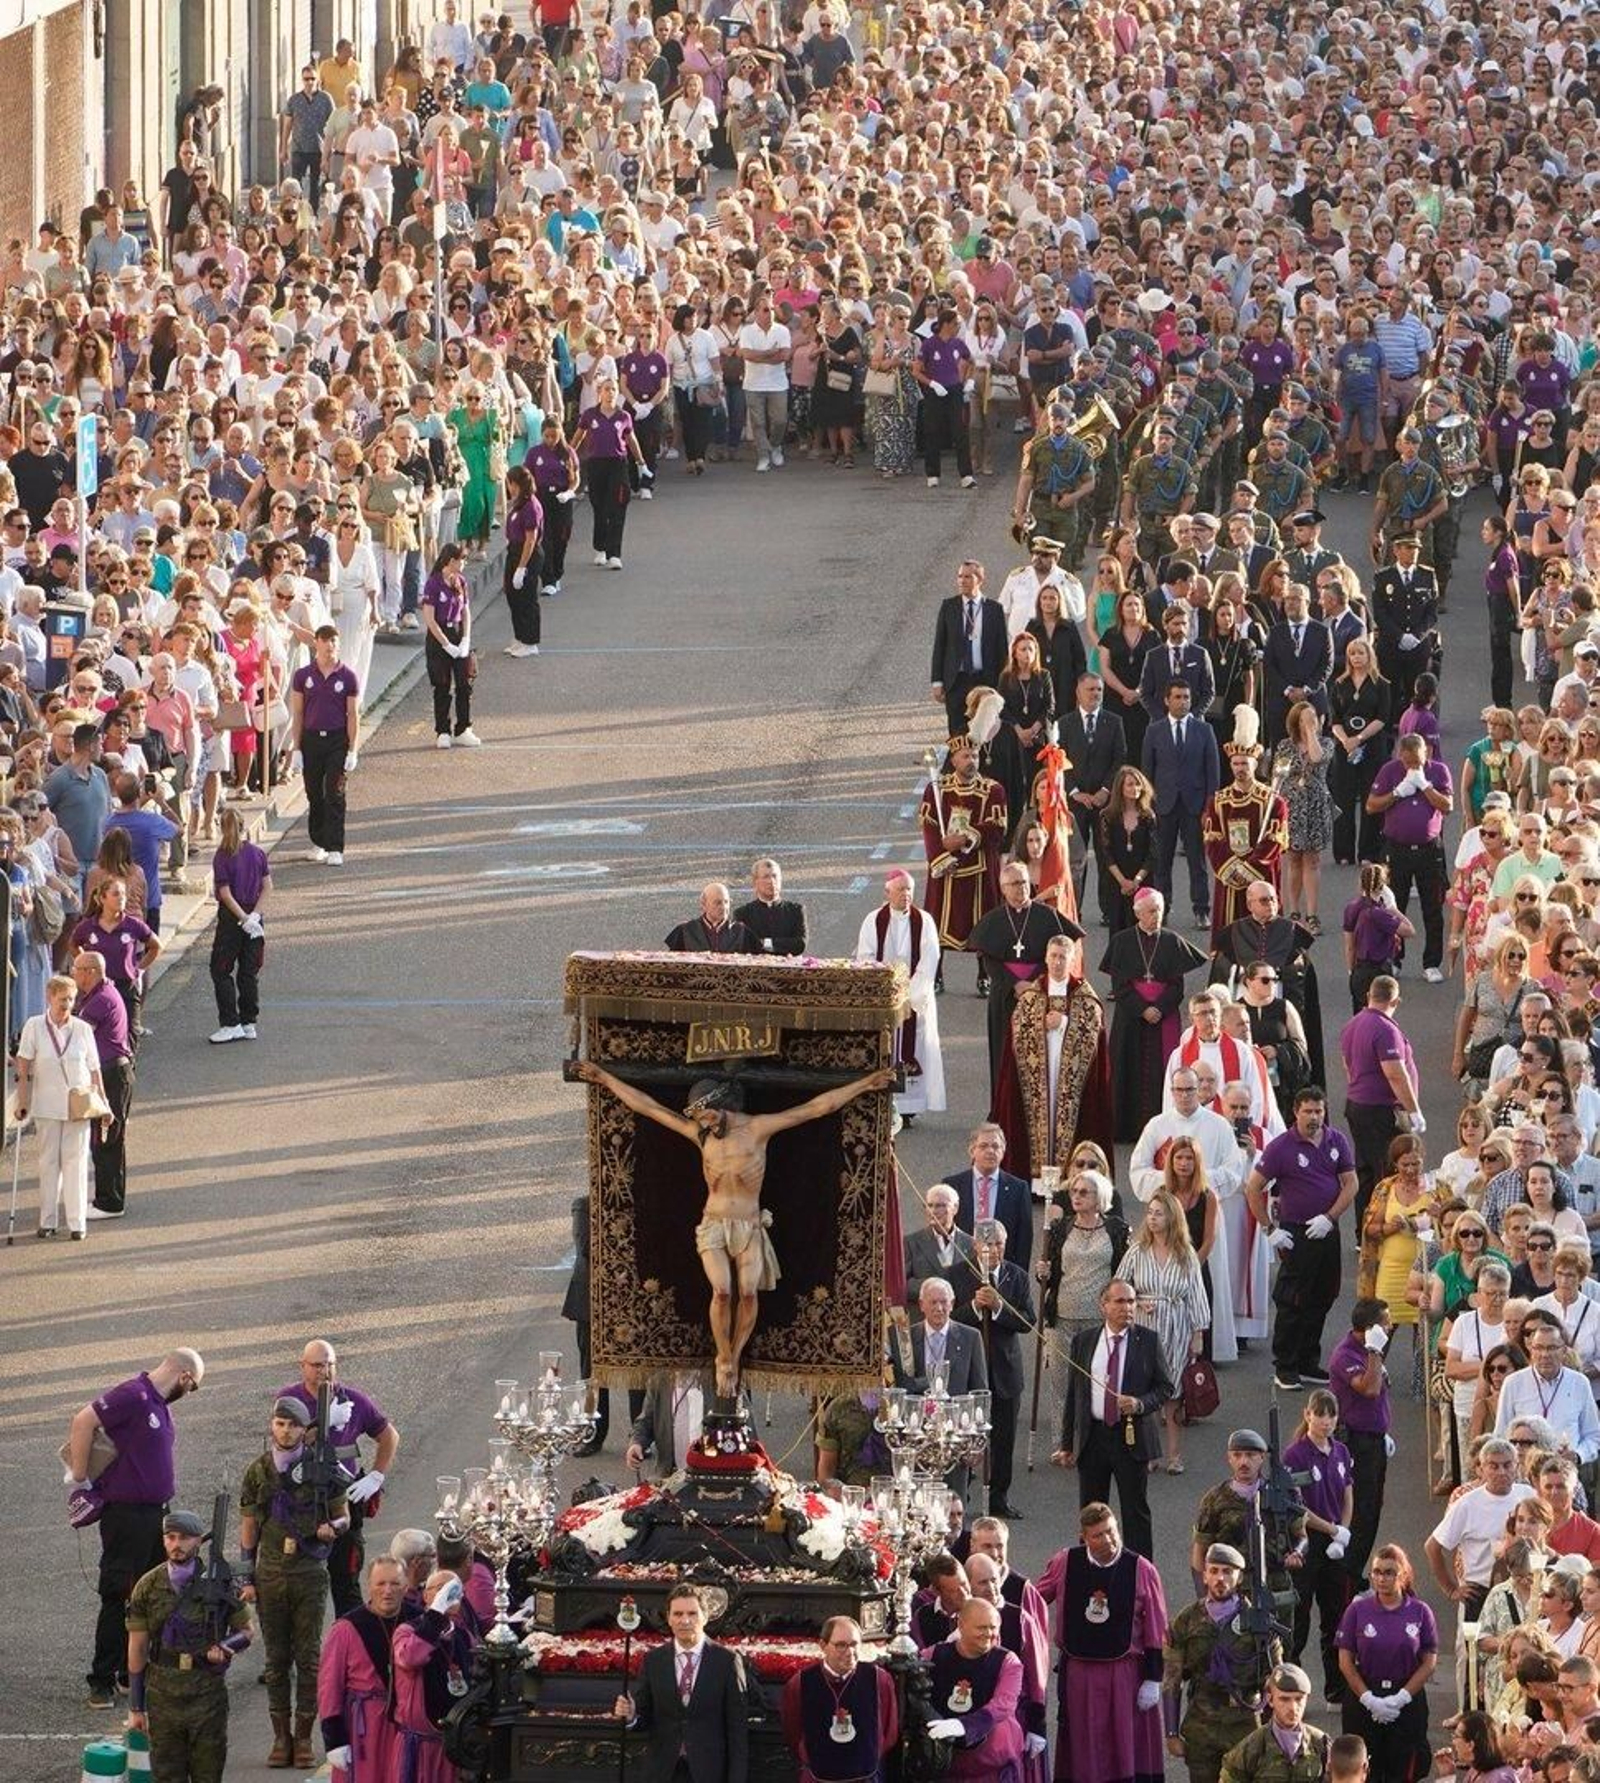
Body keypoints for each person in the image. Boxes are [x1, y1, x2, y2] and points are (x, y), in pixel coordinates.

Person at [575, 1060, 893, 1395]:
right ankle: (722, 1357)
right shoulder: (700, 1134)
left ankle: (736, 1355)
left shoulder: (757, 1129)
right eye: (701, 1120)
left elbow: (815, 1108)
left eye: (709, 1117)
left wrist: (865, 1083)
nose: (706, 1125)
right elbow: (649, 1107)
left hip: (749, 1226)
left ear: (722, 1107)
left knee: (748, 1292)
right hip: (713, 1225)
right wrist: (605, 1078)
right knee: (723, 1292)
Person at [65, 1349, 205, 1709]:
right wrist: (80, 1475)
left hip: (154, 1514)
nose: (188, 1393)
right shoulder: (134, 1395)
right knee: (119, 1593)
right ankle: (101, 1680)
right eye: (192, 1387)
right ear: (185, 1377)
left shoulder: (156, 1403)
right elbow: (83, 1420)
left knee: (150, 1593)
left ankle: (131, 1672)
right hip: (128, 1516)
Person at [238, 1397, 350, 1769]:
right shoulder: (258, 1471)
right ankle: (280, 1736)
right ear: (272, 1426)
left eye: (293, 1425)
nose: (285, 1431)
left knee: (309, 1658)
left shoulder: (322, 1467)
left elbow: (344, 1516)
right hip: (270, 1574)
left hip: (309, 1573)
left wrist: (331, 1529)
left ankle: (304, 1737)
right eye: (280, 1423)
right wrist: (246, 1575)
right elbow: (249, 1526)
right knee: (276, 1659)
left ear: (305, 1430)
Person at [1040, 1502, 1168, 1783]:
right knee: (1086, 1742)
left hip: (1124, 1672)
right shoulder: (1065, 1562)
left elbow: (1156, 1625)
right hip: (1080, 1673)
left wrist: (1153, 1678)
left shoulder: (1141, 1569)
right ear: (1083, 1537)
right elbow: (1035, 1600)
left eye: (1111, 1531)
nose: (1108, 1540)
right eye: (1098, 1535)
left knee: (1123, 1740)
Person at [124, 1509, 253, 1783]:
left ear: (198, 1541)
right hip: (162, 1698)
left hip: (206, 1696)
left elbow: (246, 1631)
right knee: (167, 1776)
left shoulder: (219, 1583)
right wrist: (136, 1706)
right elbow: (137, 1648)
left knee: (208, 1774)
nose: (176, 1544)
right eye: (170, 1537)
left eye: (184, 1538)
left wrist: (226, 1647)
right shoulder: (147, 1586)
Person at [1244, 1086, 1359, 1392]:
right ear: (1296, 1112)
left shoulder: (1337, 1141)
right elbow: (1254, 1188)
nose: (1314, 1117)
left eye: (1318, 1111)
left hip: (1325, 1229)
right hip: (1296, 1232)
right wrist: (1270, 1229)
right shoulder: (1282, 1147)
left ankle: (1308, 1360)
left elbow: (1351, 1183)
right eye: (1308, 1111)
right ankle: (1285, 1366)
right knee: (1293, 1299)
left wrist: (1330, 1218)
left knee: (1323, 1295)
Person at [274, 1340, 399, 1620]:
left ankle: (352, 1650)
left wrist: (377, 1475)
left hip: (342, 1502)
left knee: (347, 1582)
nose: (325, 1371)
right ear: (302, 1366)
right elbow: (284, 1447)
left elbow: (389, 1435)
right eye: (317, 1365)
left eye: (330, 1364)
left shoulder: (352, 1399)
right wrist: (324, 1421)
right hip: (302, 1505)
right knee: (300, 1587)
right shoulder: (289, 1401)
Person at [1052, 1280, 1173, 1560]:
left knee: (1135, 1512)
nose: (1127, 1308)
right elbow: (1075, 1394)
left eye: (1131, 1302)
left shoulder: (1148, 1341)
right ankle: (1088, 1567)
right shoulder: (1084, 1341)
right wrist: (1068, 1442)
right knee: (1091, 1511)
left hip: (1130, 1437)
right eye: (1119, 1302)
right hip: (1093, 1437)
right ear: (1103, 1305)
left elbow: (1165, 1387)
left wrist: (1140, 1404)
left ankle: (1141, 1574)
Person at [990, 932, 1113, 1192]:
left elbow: (1093, 1029)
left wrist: (1065, 1023)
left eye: (1063, 957)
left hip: (1071, 1079)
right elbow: (1018, 1031)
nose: (1057, 962)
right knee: (1038, 1119)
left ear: (1072, 960)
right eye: (1054, 956)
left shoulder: (1085, 997)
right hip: (1038, 1079)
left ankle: (1070, 1185)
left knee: (1068, 1119)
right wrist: (1039, 1025)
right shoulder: (1031, 996)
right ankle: (1037, 1185)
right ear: (1046, 958)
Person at [1100, 890, 1210, 1142]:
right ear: (1137, 913)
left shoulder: (1171, 941)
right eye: (1150, 911)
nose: (1156, 915)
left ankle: (1165, 1131)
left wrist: (1159, 1007)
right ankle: (1126, 1129)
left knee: (1163, 1071)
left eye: (1159, 910)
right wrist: (1142, 1008)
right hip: (1131, 1016)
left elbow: (1176, 986)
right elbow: (1120, 985)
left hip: (1164, 1016)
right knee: (1127, 1069)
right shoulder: (1122, 941)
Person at [612, 1584, 750, 1783]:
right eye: (677, 1614)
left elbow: (737, 1731)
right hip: (663, 1772)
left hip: (709, 1774)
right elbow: (645, 1717)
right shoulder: (654, 1660)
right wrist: (632, 1715)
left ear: (705, 1616)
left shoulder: (726, 1661)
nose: (685, 1620)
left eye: (692, 1613)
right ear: (668, 1618)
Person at [1115, 1187, 1211, 1471]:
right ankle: (1150, 1453)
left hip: (1176, 1326)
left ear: (1172, 1218)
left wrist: (1198, 1333)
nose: (1153, 1219)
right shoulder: (1137, 1251)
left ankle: (1173, 1455)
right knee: (1145, 1390)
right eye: (1150, 1213)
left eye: (1159, 1213)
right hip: (1143, 1327)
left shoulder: (1186, 1254)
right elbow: (1119, 1283)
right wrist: (1137, 1301)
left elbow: (1196, 1294)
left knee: (1173, 1393)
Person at [1162, 1543, 1275, 1783]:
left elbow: (1275, 1679)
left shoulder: (1258, 1621)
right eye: (1213, 1571)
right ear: (1204, 1575)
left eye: (1227, 1571)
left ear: (1240, 1577)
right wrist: (1171, 1733)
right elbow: (1172, 1679)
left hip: (1245, 1727)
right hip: (1202, 1726)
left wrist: (1276, 1731)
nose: (1220, 1578)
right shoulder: (1186, 1620)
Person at [967, 864, 1083, 1094]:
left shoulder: (1046, 915)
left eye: (1023, 882)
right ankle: (1002, 1108)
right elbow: (989, 959)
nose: (1020, 888)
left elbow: (1063, 948)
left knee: (1038, 1052)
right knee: (1004, 1052)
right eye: (1014, 884)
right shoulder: (994, 920)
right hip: (1004, 994)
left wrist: (1035, 981)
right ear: (1003, 889)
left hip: (1041, 993)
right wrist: (1014, 982)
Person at [13, 971, 109, 1242]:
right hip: (46, 1104)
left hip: (77, 1106)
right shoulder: (34, 1025)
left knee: (76, 1162)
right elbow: (24, 1062)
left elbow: (94, 1068)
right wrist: (22, 1100)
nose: (67, 1004)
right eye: (62, 999)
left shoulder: (81, 1028)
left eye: (71, 999)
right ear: (50, 997)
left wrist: (104, 1103)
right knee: (48, 1163)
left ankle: (77, 1223)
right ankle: (47, 1220)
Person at [948, 1220, 1035, 1518]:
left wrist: (999, 1307)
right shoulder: (957, 1275)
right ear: (975, 1246)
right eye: (986, 1244)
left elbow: (1027, 1322)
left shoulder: (1017, 1276)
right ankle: (961, 1494)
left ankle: (999, 1497)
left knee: (1003, 1439)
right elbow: (949, 1320)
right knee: (965, 1435)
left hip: (1005, 1372)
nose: (992, 1250)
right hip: (970, 1371)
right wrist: (974, 1307)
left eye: (998, 1243)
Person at [920, 733, 1009, 992]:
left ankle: (985, 975)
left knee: (983, 925)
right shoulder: (937, 788)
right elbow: (929, 826)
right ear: (954, 760)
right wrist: (941, 856)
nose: (972, 761)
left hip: (980, 868)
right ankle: (935, 975)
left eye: (975, 756)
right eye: (965, 756)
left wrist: (964, 839)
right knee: (937, 924)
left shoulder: (993, 790)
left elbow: (997, 828)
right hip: (946, 869)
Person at [1282, 1390, 1356, 1704]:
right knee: (1298, 1617)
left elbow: (1347, 1493)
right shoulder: (1295, 1456)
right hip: (1306, 1541)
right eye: (1320, 1414)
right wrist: (1331, 1528)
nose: (1326, 1421)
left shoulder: (1340, 1451)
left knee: (1336, 1615)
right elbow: (1297, 1507)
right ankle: (1291, 1687)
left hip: (1335, 1542)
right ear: (1307, 1415)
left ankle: (1336, 1688)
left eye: (1331, 1415)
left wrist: (1344, 1530)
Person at [855, 869, 944, 1122]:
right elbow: (866, 957)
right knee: (885, 1048)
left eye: (909, 890)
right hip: (884, 999)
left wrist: (910, 994)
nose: (906, 895)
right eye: (900, 890)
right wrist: (886, 991)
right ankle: (884, 1100)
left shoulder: (924, 921)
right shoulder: (873, 920)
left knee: (913, 1045)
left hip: (914, 998)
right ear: (888, 892)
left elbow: (929, 959)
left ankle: (908, 1108)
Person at [1366, 732, 1454, 982]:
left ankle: (1431, 963)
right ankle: (1395, 959)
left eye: (1416, 761)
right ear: (1399, 756)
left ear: (1425, 753)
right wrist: (1397, 793)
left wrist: (1424, 786)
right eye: (1407, 762)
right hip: (1397, 849)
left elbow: (1447, 806)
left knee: (1433, 908)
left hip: (1430, 850)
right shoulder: (1389, 771)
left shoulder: (1438, 771)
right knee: (1394, 907)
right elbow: (1372, 805)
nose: (1412, 767)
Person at [1425, 1437, 1537, 1627]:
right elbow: (1432, 1547)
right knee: (1478, 1653)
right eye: (1493, 1466)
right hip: (1480, 1592)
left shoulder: (1528, 1495)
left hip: (1524, 1589)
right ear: (1482, 1469)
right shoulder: (1467, 1504)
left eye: (1507, 1465)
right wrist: (1451, 1589)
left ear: (1517, 1467)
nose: (1501, 1472)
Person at [1341, 976, 1423, 1232]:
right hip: (1381, 1110)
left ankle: (1364, 1231)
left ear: (1369, 996)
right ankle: (1386, 1226)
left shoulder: (1352, 1025)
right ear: (1396, 1000)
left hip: (1357, 1105)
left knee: (1365, 1169)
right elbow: (1396, 1073)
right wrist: (1414, 1111)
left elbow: (1347, 1066)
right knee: (1388, 1170)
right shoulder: (1385, 1030)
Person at [315, 1555, 406, 1783]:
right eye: (380, 1583)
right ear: (369, 1586)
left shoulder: (417, 1620)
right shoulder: (346, 1629)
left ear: (405, 1586)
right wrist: (334, 1740)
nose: (387, 1591)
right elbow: (329, 1688)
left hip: (404, 1727)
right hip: (365, 1730)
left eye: (394, 1584)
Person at [1203, 706, 1289, 947]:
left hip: (1259, 874)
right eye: (1236, 763)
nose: (1240, 768)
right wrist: (1232, 869)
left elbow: (1274, 840)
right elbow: (1213, 840)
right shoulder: (1218, 801)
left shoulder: (1273, 801)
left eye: (1245, 763)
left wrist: (1249, 868)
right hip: (1229, 877)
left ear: (1255, 763)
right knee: (1229, 937)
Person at [1141, 678, 1221, 932]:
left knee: (1197, 861)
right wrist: (1148, 804)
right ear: (1167, 700)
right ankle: (1161, 911)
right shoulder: (1154, 730)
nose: (1183, 702)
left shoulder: (1203, 729)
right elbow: (1147, 771)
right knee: (1162, 861)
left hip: (1194, 805)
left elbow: (1213, 769)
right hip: (1163, 805)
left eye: (1186, 697)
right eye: (1177, 697)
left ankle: (1201, 910)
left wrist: (1210, 804)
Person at [779, 1618, 899, 1783]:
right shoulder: (800, 1683)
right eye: (841, 1645)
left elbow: (889, 1731)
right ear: (823, 1645)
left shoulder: (879, 1680)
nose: (850, 1652)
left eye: (854, 1644)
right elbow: (793, 1733)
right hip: (819, 1777)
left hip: (865, 1776)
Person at [392, 1569, 480, 1780]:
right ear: (426, 1595)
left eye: (453, 1591)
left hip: (456, 1744)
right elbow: (411, 1658)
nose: (447, 1596)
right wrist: (435, 1613)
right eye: (440, 1589)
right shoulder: (408, 1631)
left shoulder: (463, 1634)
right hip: (421, 1746)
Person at [289, 626, 360, 868]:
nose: (330, 645)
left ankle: (335, 846)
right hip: (311, 739)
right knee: (313, 793)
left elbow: (352, 714)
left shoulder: (348, 676)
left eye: (334, 641)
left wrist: (353, 749)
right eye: (325, 640)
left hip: (337, 740)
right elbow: (298, 712)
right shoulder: (302, 675)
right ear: (316, 643)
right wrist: (296, 748)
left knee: (334, 792)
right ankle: (318, 841)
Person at [71, 951, 133, 1222]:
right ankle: (108, 1196)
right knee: (106, 1140)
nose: (74, 974)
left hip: (111, 1075)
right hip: (113, 1072)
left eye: (77, 969)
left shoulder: (100, 1001)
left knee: (106, 1140)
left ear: (91, 971)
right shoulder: (100, 994)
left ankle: (110, 1201)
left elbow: (76, 1036)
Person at [1494, 1323, 1600, 1466]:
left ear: (1563, 1351)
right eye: (1539, 1348)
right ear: (1531, 1350)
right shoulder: (1513, 1383)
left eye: (1552, 1348)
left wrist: (1578, 1455)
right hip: (1524, 1472)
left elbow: (1594, 1435)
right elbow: (1501, 1434)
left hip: (1565, 1472)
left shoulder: (1579, 1383)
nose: (1545, 1354)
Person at [208, 806, 270, 1045]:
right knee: (248, 971)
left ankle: (229, 1022)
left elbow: (224, 893)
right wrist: (254, 916)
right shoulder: (257, 853)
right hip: (255, 916)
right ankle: (248, 1021)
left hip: (232, 919)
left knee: (221, 970)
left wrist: (242, 918)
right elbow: (268, 887)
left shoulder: (222, 856)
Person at [930, 561, 1008, 740]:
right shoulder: (949, 607)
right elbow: (940, 645)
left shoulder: (994, 609)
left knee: (983, 731)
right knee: (957, 732)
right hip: (957, 680)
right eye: (960, 576)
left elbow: (1001, 650)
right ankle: (957, 766)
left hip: (984, 679)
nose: (962, 581)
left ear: (980, 580)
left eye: (967, 576)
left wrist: (1002, 684)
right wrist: (937, 682)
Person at [1216, 1664, 1332, 1782]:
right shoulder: (1250, 1749)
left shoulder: (1321, 1745)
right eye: (1284, 1699)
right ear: (1270, 1700)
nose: (1292, 1707)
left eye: (1299, 1699)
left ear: (1307, 1700)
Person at [420, 543, 478, 748]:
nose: (463, 563)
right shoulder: (434, 584)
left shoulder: (460, 581)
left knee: (464, 683)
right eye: (461, 559)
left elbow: (465, 611)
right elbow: (429, 617)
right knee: (442, 685)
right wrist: (445, 644)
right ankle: (442, 730)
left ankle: (464, 728)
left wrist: (465, 638)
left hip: (457, 631)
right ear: (451, 561)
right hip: (439, 636)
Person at [735, 859, 808, 958]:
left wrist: (765, 943)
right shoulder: (743, 914)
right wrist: (782, 945)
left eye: (775, 876)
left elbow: (800, 944)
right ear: (755, 882)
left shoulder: (795, 911)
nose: (771, 881)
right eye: (766, 877)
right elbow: (744, 946)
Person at [664, 883, 760, 954]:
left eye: (726, 902)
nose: (723, 907)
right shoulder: (685, 931)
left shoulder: (741, 932)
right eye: (718, 903)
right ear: (703, 905)